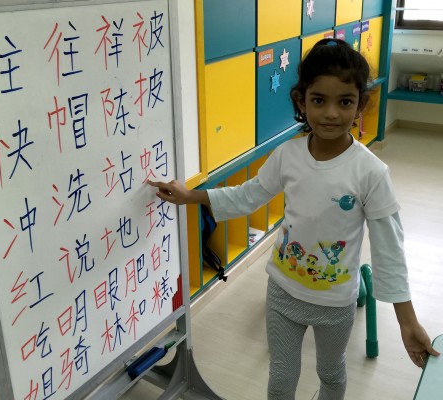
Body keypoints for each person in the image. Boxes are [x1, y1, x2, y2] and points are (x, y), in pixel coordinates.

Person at [148, 38, 439, 400]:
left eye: (344, 102)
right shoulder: (288, 155)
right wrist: (193, 196)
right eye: (318, 100)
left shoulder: (371, 173)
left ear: (360, 104)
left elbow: (389, 251)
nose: (331, 113)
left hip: (336, 303)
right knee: (282, 379)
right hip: (283, 292)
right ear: (301, 101)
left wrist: (407, 321)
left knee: (331, 374)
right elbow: (250, 194)